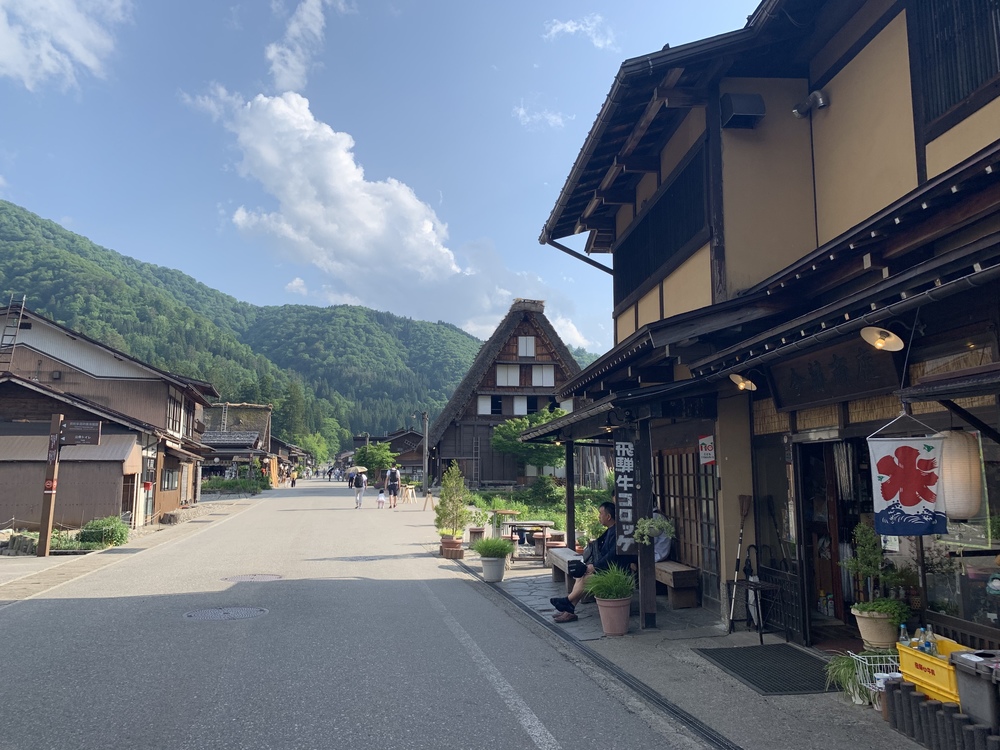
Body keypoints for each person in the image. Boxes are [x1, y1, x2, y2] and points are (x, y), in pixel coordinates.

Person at [550, 501, 624, 623]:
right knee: (581, 576)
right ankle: (569, 609)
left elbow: (612, 555)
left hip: (613, 570)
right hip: (603, 567)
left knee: (586, 578)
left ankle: (567, 601)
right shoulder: (611, 530)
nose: (599, 516)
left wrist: (595, 566)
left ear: (608, 516)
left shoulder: (617, 532)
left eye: (600, 513)